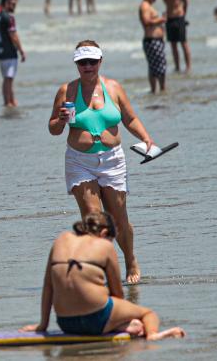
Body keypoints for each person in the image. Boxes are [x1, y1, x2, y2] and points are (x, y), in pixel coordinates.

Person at [48, 40, 156, 284]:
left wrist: (146, 138)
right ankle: (104, 267)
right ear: (77, 64)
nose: (87, 66)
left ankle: (130, 259)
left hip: (112, 160)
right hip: (80, 161)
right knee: (93, 218)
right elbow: (53, 129)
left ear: (100, 61)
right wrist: (61, 120)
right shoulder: (67, 91)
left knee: (119, 219)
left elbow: (130, 118)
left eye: (92, 61)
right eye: (82, 62)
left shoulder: (113, 88)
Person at [21, 213, 186, 340]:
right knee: (148, 314)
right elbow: (117, 294)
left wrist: (43, 325)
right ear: (105, 233)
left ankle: (125, 325)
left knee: (123, 317)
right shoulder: (104, 245)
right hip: (96, 319)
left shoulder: (61, 239)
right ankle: (152, 335)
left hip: (65, 322)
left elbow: (48, 285)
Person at [0, 0, 26, 107]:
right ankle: (9, 102)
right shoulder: (9, 17)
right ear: (6, 3)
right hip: (9, 52)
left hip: (0, 51)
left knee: (6, 78)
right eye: (12, 4)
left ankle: (8, 101)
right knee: (9, 79)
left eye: (15, 4)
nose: (14, 6)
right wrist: (21, 50)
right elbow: (13, 35)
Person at [160, 0, 191, 73]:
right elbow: (166, 3)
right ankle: (177, 67)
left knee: (183, 42)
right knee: (173, 45)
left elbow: (185, 1)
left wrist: (183, 14)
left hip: (179, 16)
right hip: (169, 18)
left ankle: (188, 67)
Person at [139, 0, 167, 93]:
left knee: (155, 67)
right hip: (152, 40)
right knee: (159, 67)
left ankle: (156, 91)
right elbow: (146, 22)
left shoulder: (149, 6)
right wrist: (161, 19)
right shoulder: (145, 6)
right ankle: (160, 89)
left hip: (155, 41)